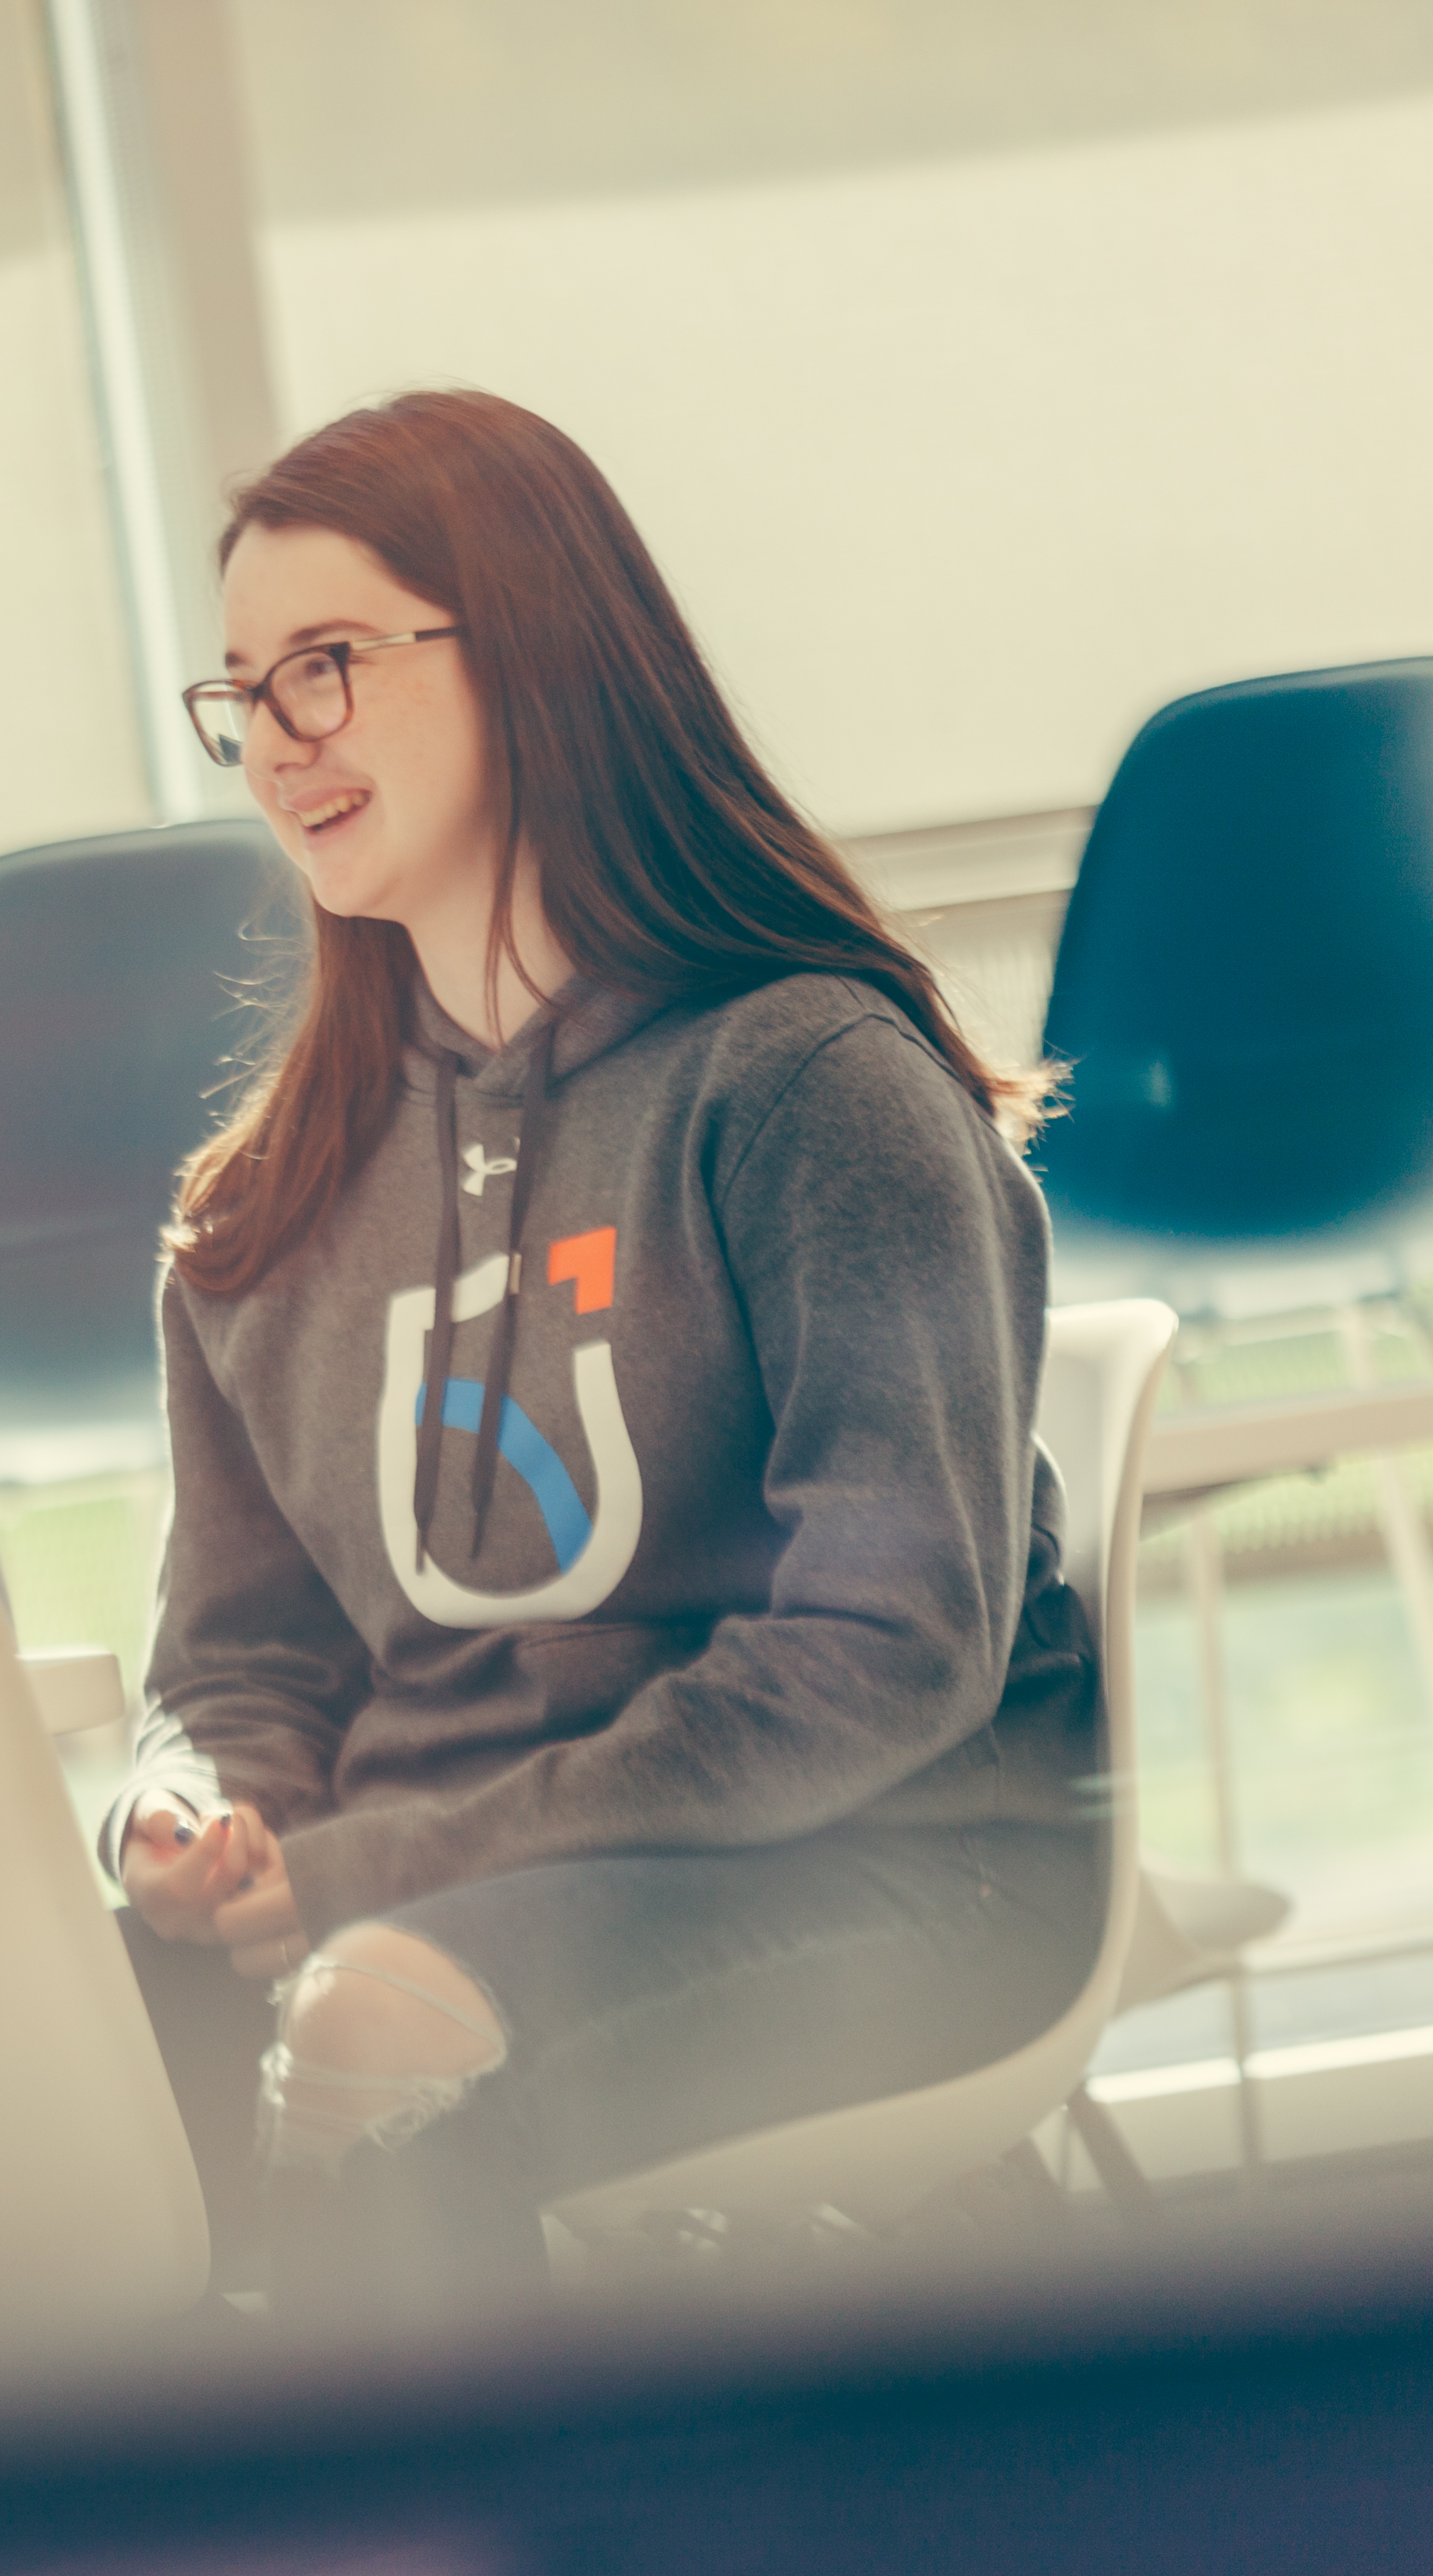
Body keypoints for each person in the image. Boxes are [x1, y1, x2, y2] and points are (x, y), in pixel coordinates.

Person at [103, 390, 1104, 2316]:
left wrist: (395, 1863)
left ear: (537, 652)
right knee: (28, 2052)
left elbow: (887, 1660)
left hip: (901, 1863)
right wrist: (191, 1815)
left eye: (328, 667)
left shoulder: (810, 1086)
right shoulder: (261, 1212)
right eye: (242, 695)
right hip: (449, 1883)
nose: (277, 745)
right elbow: (236, 1665)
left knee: (374, 2039)